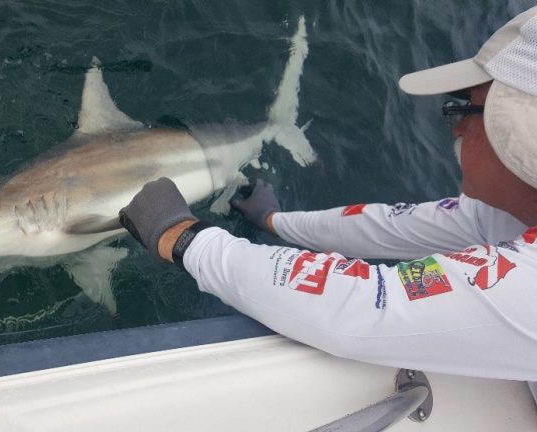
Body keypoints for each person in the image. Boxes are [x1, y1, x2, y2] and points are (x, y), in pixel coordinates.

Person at [119, 7, 537, 381]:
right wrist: (273, 221)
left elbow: (366, 310)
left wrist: (182, 237)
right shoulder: (508, 210)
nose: (454, 125)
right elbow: (389, 229)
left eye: (462, 108)